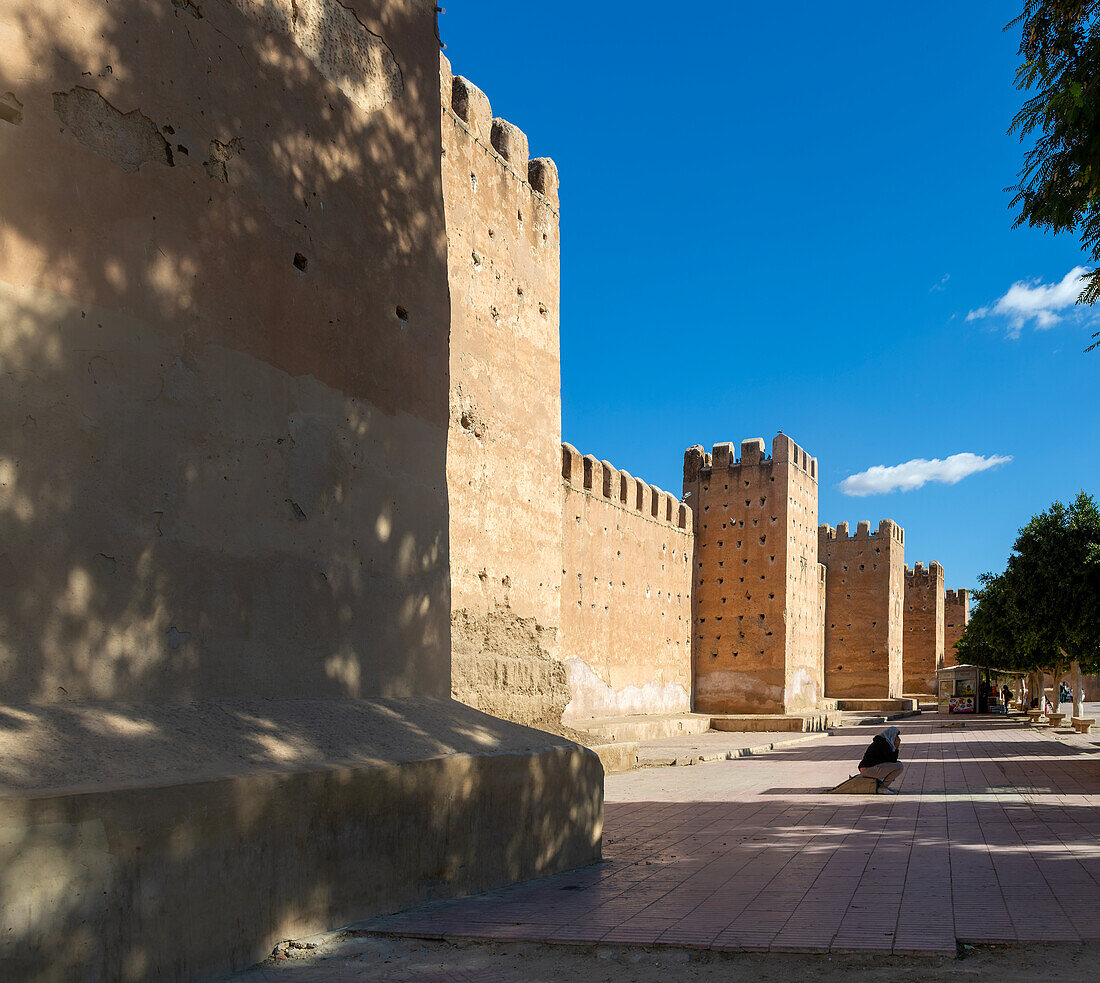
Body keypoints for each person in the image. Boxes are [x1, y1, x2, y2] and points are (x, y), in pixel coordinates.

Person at [858, 726, 903, 794]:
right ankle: (882, 788)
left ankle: (882, 785)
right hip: (867, 770)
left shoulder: (883, 742)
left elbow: (890, 760)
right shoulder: (882, 743)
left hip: (868, 768)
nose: (897, 739)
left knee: (898, 764)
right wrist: (897, 748)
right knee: (899, 767)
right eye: (896, 736)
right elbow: (892, 760)